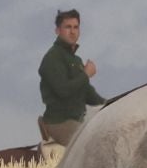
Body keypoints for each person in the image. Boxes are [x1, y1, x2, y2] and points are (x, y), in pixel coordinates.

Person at [37, 8, 105, 147]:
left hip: (77, 120)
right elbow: (63, 91)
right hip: (59, 122)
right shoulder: (52, 58)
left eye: (76, 27)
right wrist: (85, 74)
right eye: (68, 27)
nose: (72, 31)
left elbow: (88, 94)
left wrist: (110, 105)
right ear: (57, 31)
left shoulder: (76, 60)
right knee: (91, 146)